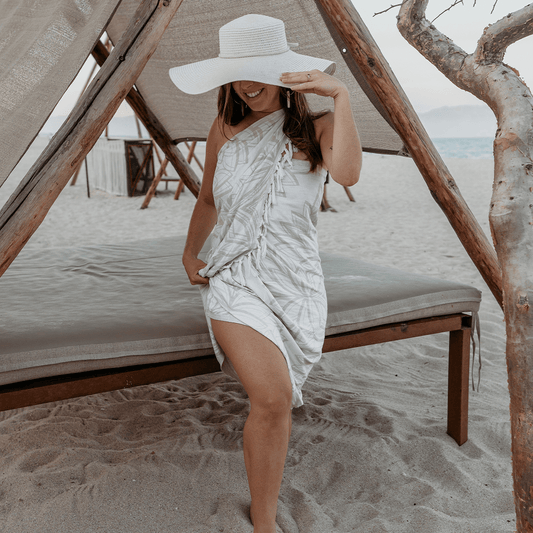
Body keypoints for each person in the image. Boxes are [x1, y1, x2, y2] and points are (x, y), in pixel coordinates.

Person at [169, 14, 362, 533]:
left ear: (284, 72)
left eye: (258, 71)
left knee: (277, 399)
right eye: (238, 73)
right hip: (234, 277)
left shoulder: (317, 128)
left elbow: (346, 173)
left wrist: (342, 96)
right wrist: (191, 253)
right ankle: (264, 522)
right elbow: (208, 198)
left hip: (296, 282)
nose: (248, 84)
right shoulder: (224, 129)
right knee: (273, 399)